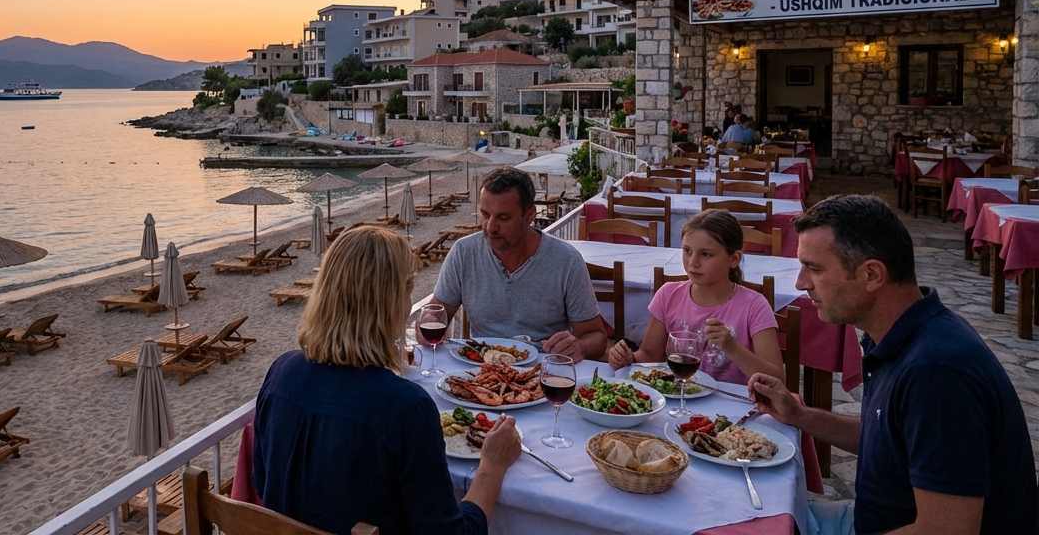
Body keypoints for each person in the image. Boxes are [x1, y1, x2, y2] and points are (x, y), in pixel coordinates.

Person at [748, 195, 1037, 534]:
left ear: (872, 274)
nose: (801, 283)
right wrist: (799, 416)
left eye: (815, 268)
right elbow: (889, 438)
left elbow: (946, 530)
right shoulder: (904, 334)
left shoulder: (936, 372)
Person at [253, 226, 521, 534]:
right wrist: (493, 465)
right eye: (408, 292)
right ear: (392, 302)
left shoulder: (281, 372)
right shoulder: (404, 408)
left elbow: (264, 482)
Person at [429, 166, 607, 362]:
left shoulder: (566, 261)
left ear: (530, 215)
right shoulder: (464, 253)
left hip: (543, 371)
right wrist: (428, 323)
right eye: (485, 214)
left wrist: (579, 347)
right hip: (479, 366)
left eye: (503, 218)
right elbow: (437, 314)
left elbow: (596, 338)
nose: (490, 227)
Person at [607, 210, 783, 385]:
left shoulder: (754, 306)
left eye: (705, 254)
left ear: (734, 259)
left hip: (735, 405)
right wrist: (627, 358)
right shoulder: (668, 295)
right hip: (678, 401)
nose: (693, 262)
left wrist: (732, 347)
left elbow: (778, 379)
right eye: (687, 251)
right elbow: (649, 355)